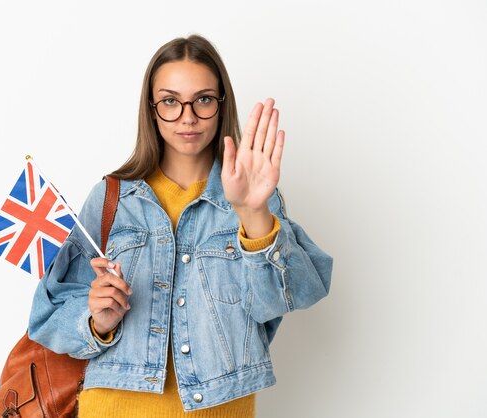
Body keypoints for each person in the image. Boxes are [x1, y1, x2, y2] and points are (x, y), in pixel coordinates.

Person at [28, 34, 333, 417]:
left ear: (222, 106)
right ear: (152, 109)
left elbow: (289, 298)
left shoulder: (255, 198)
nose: (187, 117)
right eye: (171, 101)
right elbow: (46, 315)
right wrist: (95, 320)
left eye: (203, 99)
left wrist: (252, 211)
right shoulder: (112, 198)